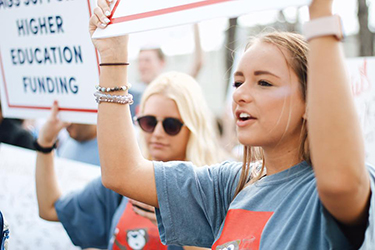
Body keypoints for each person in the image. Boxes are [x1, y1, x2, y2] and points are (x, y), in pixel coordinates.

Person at [89, 0, 375, 249]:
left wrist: (321, 14)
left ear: (312, 102)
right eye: (238, 82)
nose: (239, 94)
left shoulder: (326, 189)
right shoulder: (229, 186)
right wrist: (113, 59)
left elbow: (338, 183)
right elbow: (121, 172)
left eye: (264, 82)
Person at [35, 72, 225, 250]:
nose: (157, 133)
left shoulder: (215, 189)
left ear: (193, 128)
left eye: (171, 125)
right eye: (149, 122)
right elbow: (49, 209)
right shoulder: (125, 182)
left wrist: (179, 228)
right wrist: (45, 143)